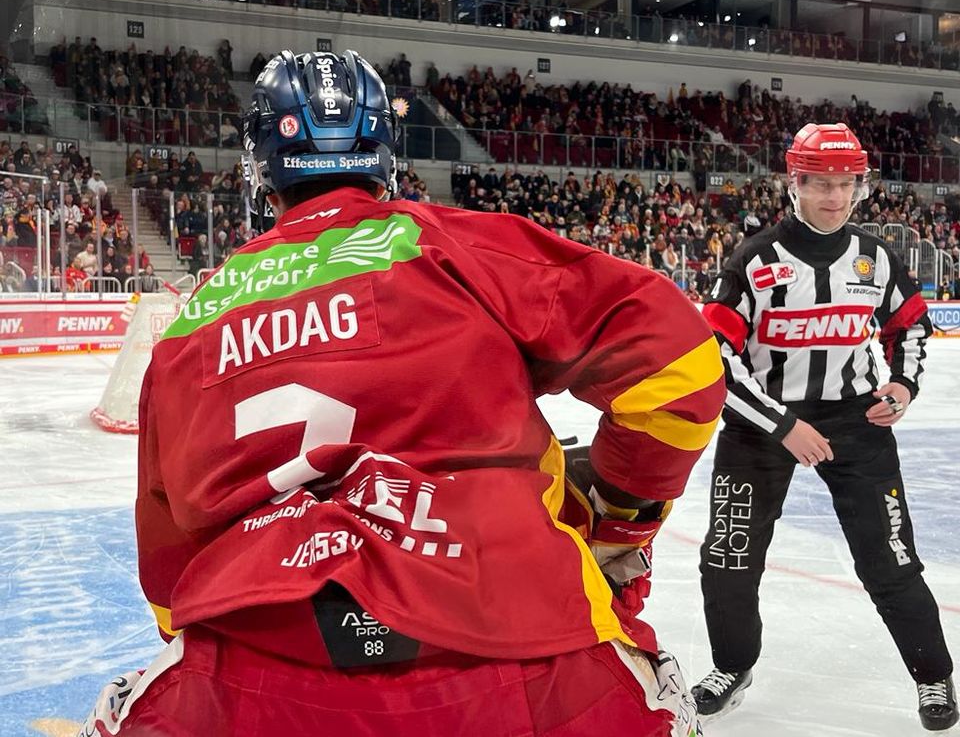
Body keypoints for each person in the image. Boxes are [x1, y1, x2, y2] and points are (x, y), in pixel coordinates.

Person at [80, 49, 725, 737]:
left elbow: (169, 569)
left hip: (248, 677)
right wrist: (620, 519)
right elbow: (681, 370)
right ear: (384, 151)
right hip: (520, 652)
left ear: (260, 167)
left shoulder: (190, 329)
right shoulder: (451, 245)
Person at [692, 122, 958, 732]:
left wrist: (903, 385)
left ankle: (933, 675)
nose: (834, 197)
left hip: (855, 420)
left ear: (860, 187)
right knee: (728, 557)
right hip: (761, 423)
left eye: (846, 185)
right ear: (796, 183)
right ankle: (733, 665)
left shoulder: (876, 257)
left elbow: (911, 327)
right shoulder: (754, 259)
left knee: (890, 559)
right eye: (820, 184)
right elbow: (715, 356)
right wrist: (783, 425)